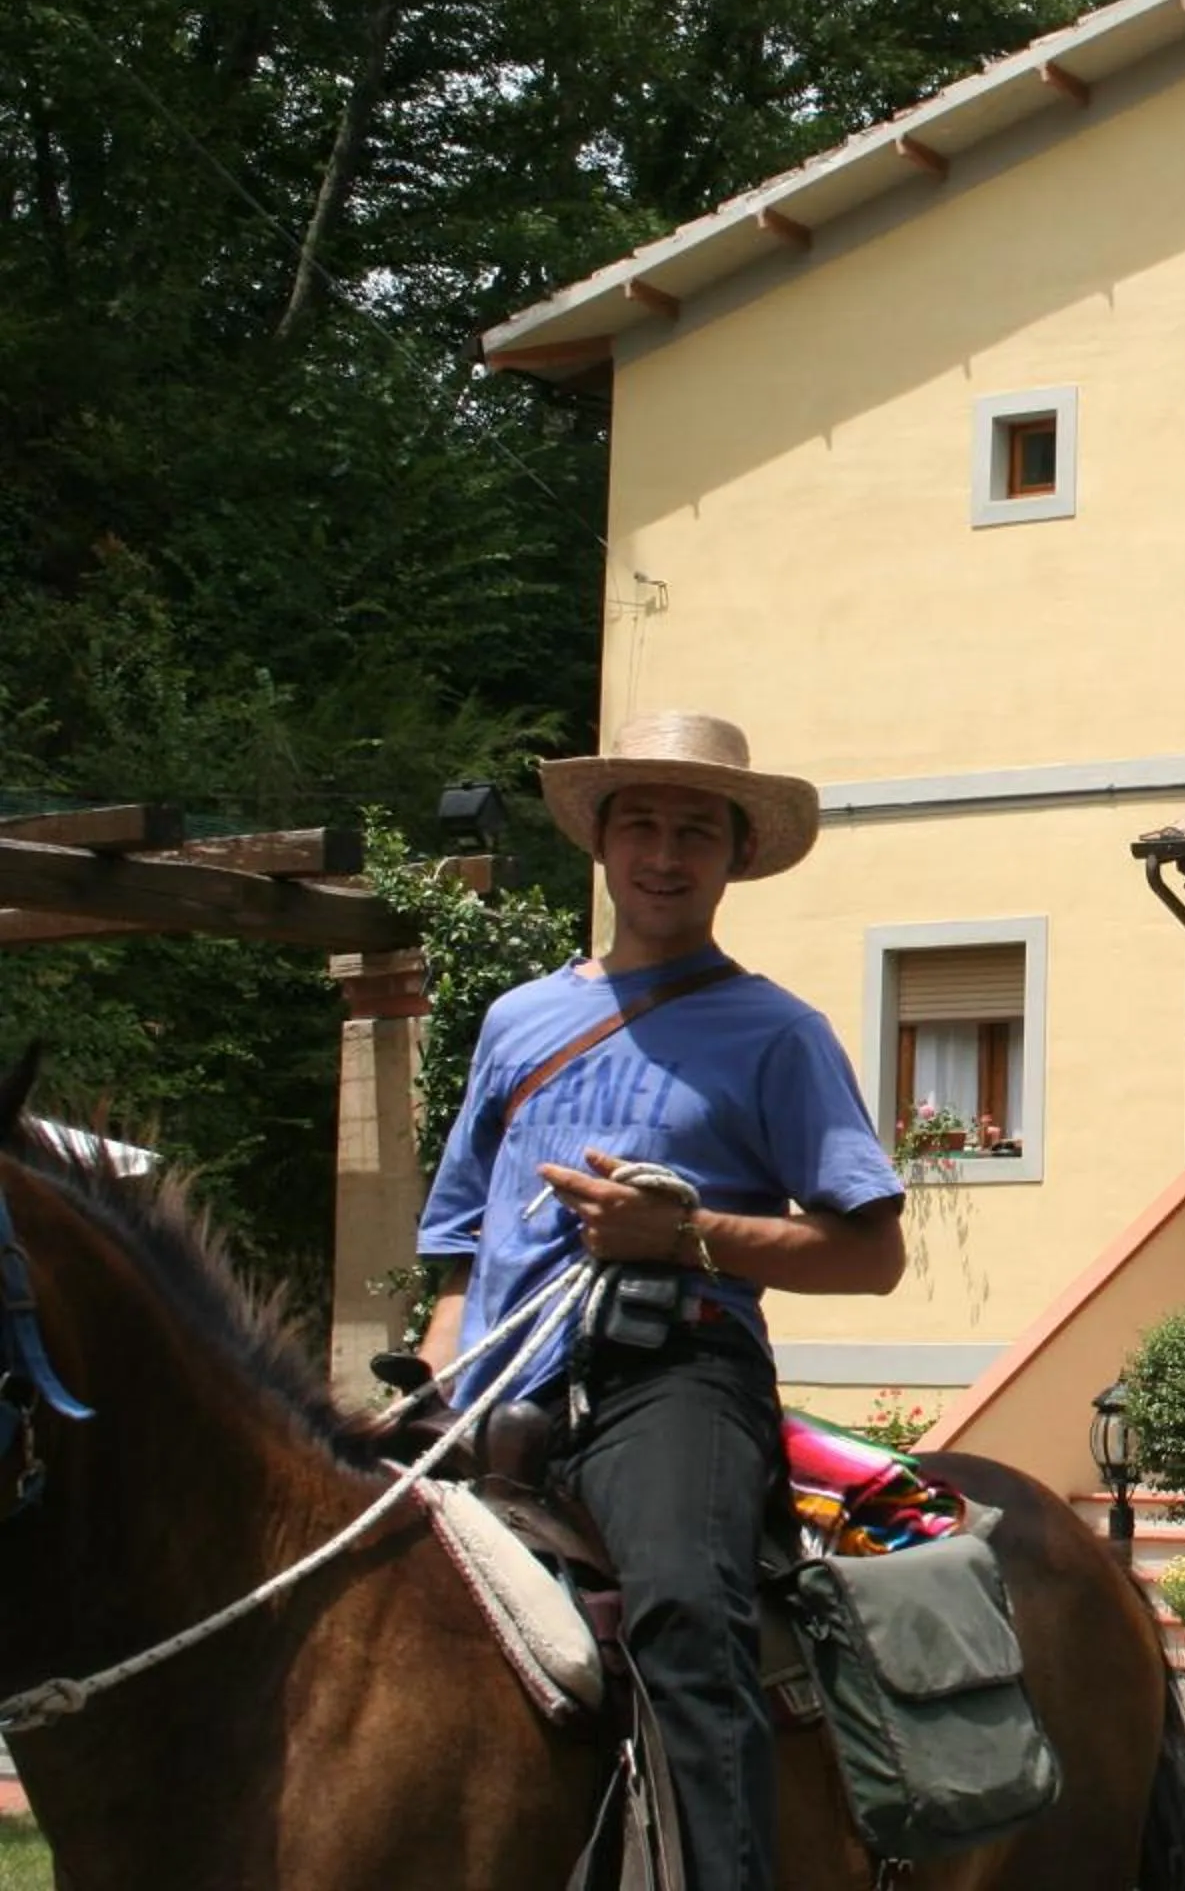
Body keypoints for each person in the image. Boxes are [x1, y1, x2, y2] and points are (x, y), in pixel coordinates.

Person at [414, 712, 908, 1889]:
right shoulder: (514, 1021)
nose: (666, 853)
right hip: (495, 1380)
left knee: (685, 1611)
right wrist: (437, 1382)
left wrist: (686, 1234)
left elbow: (870, 1253)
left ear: (736, 856)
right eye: (641, 823)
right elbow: (455, 1244)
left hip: (674, 1378)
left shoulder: (780, 1032)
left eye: (698, 829)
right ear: (602, 841)